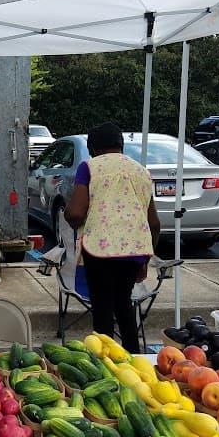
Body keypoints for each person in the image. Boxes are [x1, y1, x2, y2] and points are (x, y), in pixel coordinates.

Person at [64, 122, 160, 353]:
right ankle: (134, 361)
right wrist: (145, 260)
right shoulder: (141, 171)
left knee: (103, 310)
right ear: (121, 146)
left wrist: (69, 216)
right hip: (135, 251)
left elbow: (76, 213)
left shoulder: (89, 167)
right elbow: (154, 223)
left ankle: (104, 364)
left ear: (92, 148)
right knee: (124, 306)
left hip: (100, 251)